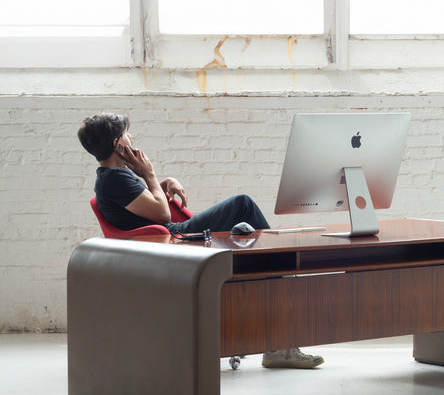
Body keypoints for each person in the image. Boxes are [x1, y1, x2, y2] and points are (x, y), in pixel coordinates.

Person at [77, 112, 323, 370]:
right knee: (243, 205)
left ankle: (275, 297)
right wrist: (149, 174)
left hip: (166, 236)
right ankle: (282, 268)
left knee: (253, 247)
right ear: (119, 144)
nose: (132, 137)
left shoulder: (112, 177)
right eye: (127, 134)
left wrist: (163, 182)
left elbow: (139, 202)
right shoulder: (114, 179)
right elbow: (161, 213)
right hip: (171, 238)